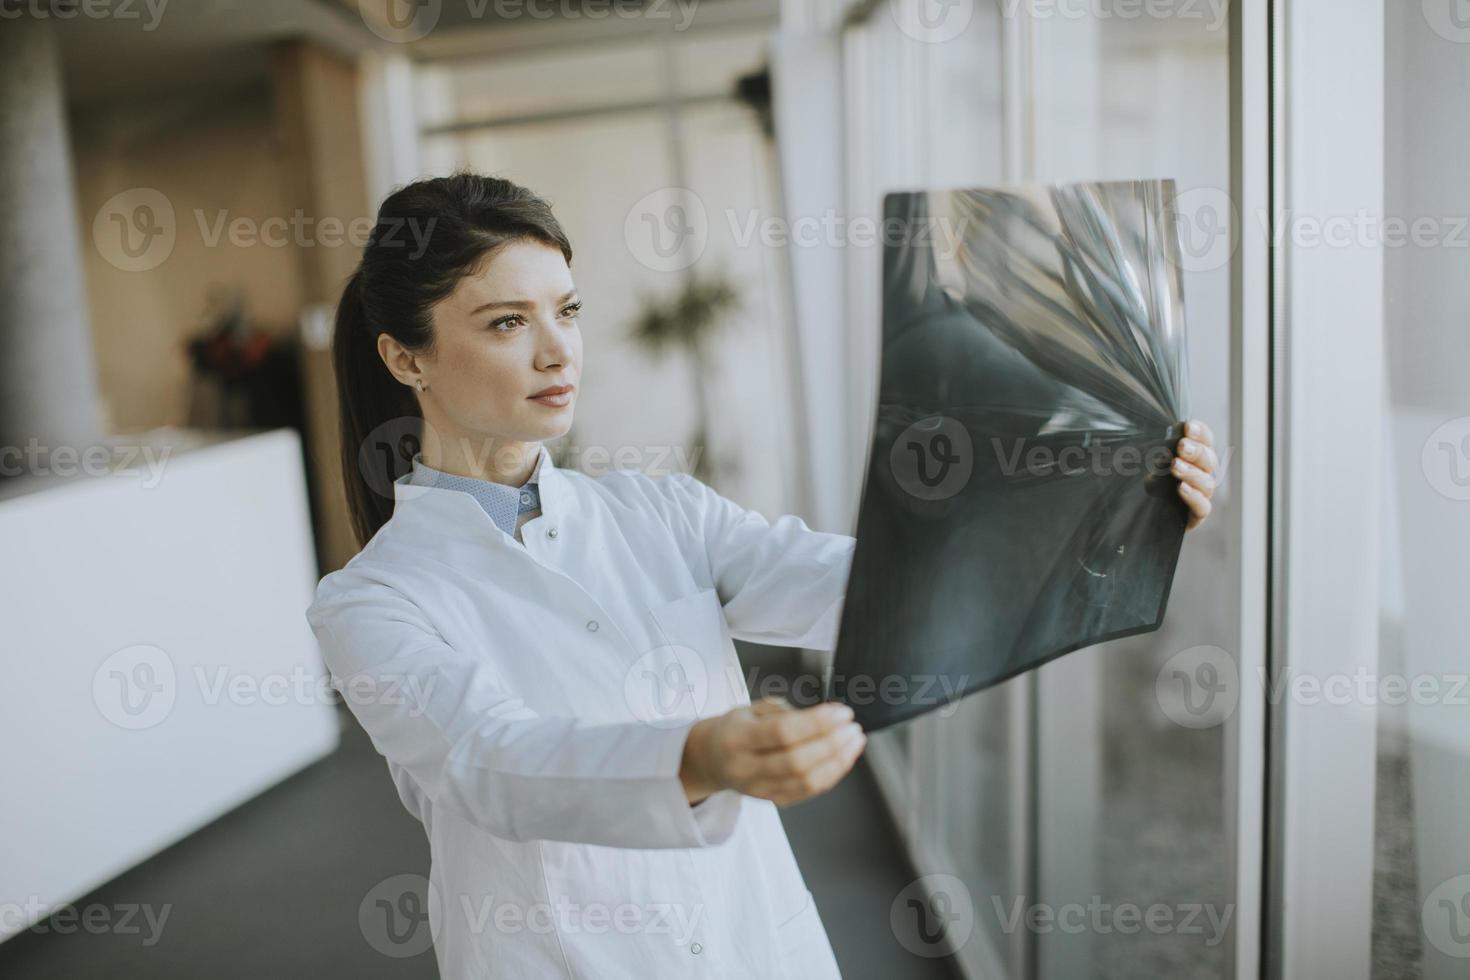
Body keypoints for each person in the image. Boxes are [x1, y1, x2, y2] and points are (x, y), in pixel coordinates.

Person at [305, 173, 1219, 979]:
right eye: (509, 322)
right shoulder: (370, 601)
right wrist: (696, 755)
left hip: (751, 941)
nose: (558, 350)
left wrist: (1116, 493)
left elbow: (866, 586)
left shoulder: (659, 512)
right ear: (404, 356)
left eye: (568, 310)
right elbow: (489, 759)